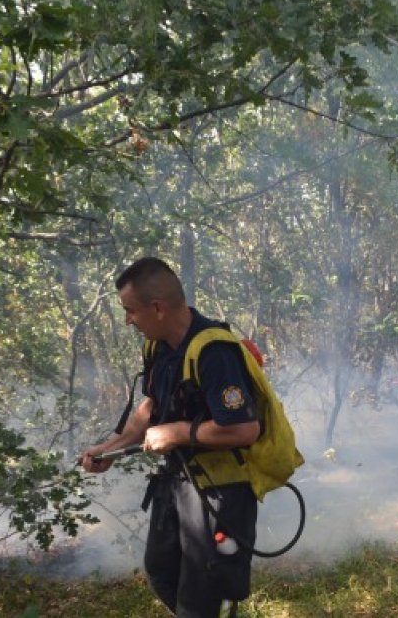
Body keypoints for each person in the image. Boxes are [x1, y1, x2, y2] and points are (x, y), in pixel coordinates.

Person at [80, 257, 260, 618]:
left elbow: (245, 429)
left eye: (131, 311)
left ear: (157, 307)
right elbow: (151, 408)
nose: (128, 320)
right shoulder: (158, 348)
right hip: (177, 483)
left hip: (220, 491)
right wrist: (111, 448)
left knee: (203, 595)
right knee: (161, 571)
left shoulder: (214, 353)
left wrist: (179, 432)